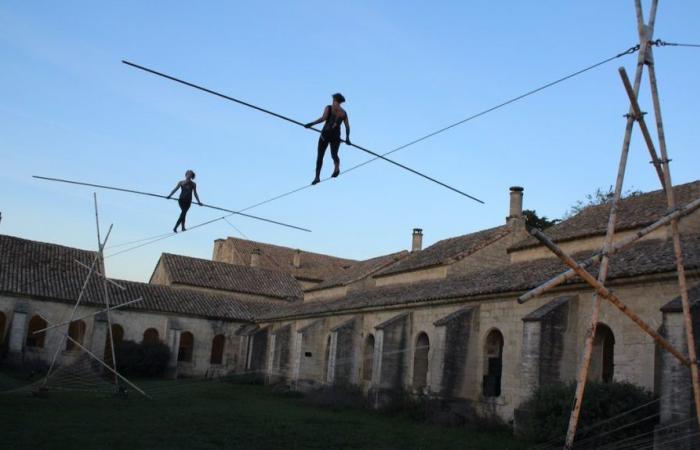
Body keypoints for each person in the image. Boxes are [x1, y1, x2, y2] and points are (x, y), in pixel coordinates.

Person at [305, 93, 351, 185]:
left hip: (325, 135)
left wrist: (311, 124)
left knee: (320, 156)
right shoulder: (343, 113)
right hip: (336, 136)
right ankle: (336, 168)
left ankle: (317, 177)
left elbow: (323, 119)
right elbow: (347, 126)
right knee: (334, 154)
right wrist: (347, 138)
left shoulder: (329, 108)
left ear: (334, 100)